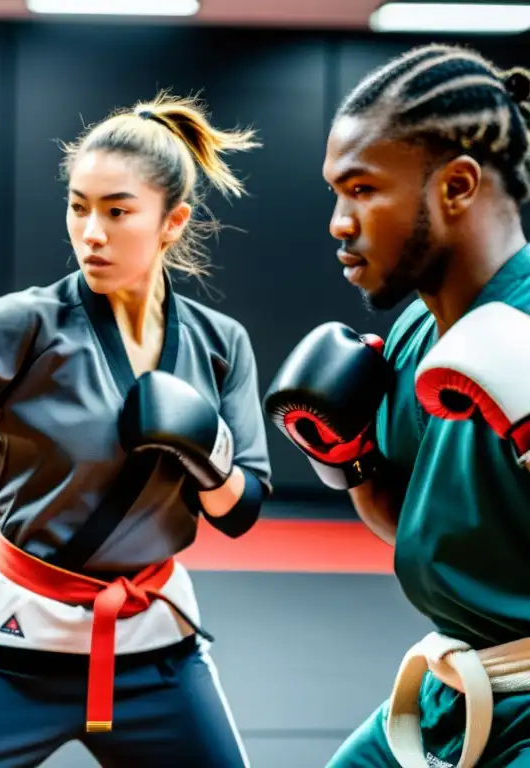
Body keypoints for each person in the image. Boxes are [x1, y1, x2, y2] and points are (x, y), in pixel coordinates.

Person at [0, 91, 271, 766]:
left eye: (117, 210)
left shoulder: (220, 344)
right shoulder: (28, 322)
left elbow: (240, 509)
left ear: (173, 220)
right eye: (78, 206)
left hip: (156, 651)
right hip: (16, 647)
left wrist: (204, 448)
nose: (90, 231)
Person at [264, 43, 530, 768]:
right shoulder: (416, 328)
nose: (337, 222)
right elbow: (407, 520)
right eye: (334, 192)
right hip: (453, 686)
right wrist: (348, 463)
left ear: (456, 186)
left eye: (362, 189)